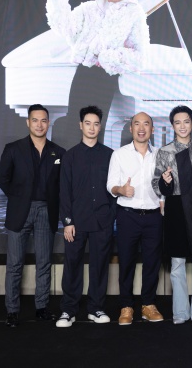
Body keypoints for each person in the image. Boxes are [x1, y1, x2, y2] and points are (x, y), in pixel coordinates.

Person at [45, 0, 149, 146]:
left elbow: (139, 55)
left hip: (105, 77)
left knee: (95, 130)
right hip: (83, 73)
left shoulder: (133, 12)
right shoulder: (90, 8)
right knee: (74, 126)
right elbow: (64, 26)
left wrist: (108, 57)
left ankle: (92, 165)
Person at [0, 104, 66, 327]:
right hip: (20, 211)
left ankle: (42, 308)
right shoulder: (13, 149)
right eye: (35, 120)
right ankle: (12, 311)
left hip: (46, 211)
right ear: (28, 122)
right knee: (14, 264)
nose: (39, 124)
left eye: (43, 120)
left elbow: (62, 185)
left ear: (48, 123)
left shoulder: (59, 152)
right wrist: (19, 199)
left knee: (44, 262)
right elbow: (3, 179)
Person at [151, 106, 192, 325]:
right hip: (176, 211)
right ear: (172, 125)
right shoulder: (164, 152)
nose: (182, 126)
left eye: (186, 121)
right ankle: (180, 312)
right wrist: (165, 182)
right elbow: (156, 184)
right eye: (178, 122)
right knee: (177, 265)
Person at [55, 106, 116, 328]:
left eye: (96, 124)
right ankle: (68, 310)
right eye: (87, 123)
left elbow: (114, 189)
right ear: (81, 125)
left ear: (100, 127)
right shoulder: (70, 156)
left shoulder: (110, 155)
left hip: (102, 221)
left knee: (100, 266)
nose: (92, 128)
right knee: (72, 265)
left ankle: (96, 309)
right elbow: (64, 192)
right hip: (76, 222)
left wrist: (110, 217)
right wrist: (67, 222)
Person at [107, 112, 164, 326]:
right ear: (131, 129)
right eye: (137, 124)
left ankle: (148, 305)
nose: (141, 128)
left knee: (152, 263)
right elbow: (110, 184)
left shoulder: (160, 154)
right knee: (126, 262)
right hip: (127, 216)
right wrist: (121, 189)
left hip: (153, 216)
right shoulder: (119, 154)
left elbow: (166, 183)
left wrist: (163, 199)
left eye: (146, 124)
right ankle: (126, 306)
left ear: (152, 129)